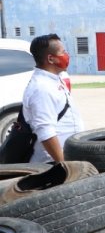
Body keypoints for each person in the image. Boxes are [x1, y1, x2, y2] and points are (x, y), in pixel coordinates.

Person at [21, 34, 84, 163]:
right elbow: (46, 131)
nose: (67, 55)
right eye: (63, 52)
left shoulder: (54, 79)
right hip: (52, 163)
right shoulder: (41, 88)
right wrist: (64, 166)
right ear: (51, 58)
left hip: (67, 156)